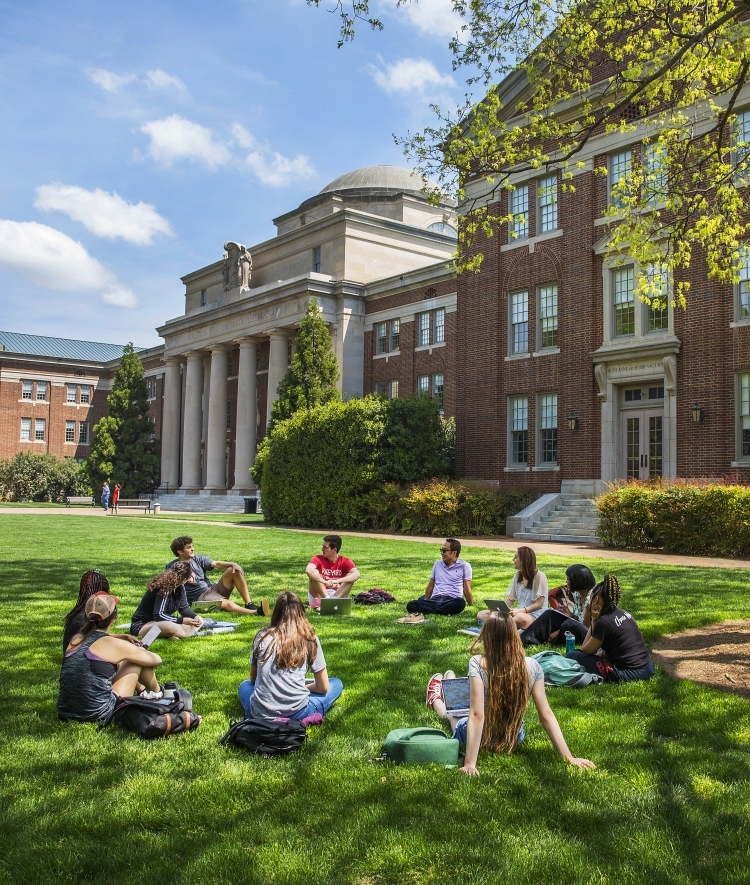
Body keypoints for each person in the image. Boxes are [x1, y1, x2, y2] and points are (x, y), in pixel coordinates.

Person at [426, 611, 595, 776]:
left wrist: (470, 763)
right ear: (514, 634)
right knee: (465, 703)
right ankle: (450, 682)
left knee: (454, 716)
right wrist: (569, 757)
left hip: (482, 737)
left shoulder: (477, 662)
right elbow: (546, 715)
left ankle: (437, 698)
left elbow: (477, 715)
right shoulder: (532, 665)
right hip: (514, 738)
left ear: (487, 636)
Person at [58, 592, 170, 722]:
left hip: (65, 712)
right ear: (113, 617)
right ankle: (158, 694)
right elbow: (157, 660)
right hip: (99, 713)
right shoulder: (114, 645)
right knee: (134, 661)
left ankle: (147, 692)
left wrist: (122, 638)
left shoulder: (76, 639)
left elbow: (96, 636)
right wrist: (137, 651)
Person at [238, 591, 343, 720]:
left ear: (276, 613)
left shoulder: (262, 636)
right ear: (301, 613)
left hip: (260, 714)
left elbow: (254, 680)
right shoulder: (310, 639)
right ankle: (301, 716)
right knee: (336, 683)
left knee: (245, 686)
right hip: (298, 713)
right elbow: (323, 687)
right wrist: (303, 688)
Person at [566, 574, 655, 683]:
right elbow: (617, 648)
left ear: (596, 599)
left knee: (574, 656)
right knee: (593, 652)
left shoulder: (603, 622)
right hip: (648, 667)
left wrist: (594, 620)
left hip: (630, 673)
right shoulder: (623, 613)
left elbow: (586, 650)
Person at [167, 536, 270, 616]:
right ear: (180, 551)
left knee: (233, 571)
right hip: (201, 597)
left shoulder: (198, 559)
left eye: (192, 546)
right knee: (228, 604)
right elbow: (170, 587)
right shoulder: (173, 566)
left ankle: (249, 604)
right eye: (189, 547)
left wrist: (232, 564)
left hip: (213, 588)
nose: (192, 549)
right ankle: (256, 612)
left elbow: (216, 564)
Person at [519, 564, 596, 647]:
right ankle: (523, 639)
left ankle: (551, 639)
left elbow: (587, 627)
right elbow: (579, 619)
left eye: (569, 579)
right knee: (550, 614)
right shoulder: (577, 594)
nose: (567, 582)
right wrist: (570, 615)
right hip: (576, 626)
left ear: (577, 581)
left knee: (569, 624)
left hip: (588, 634)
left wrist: (559, 631)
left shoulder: (591, 598)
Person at [401, 538, 473, 623]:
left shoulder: (465, 566)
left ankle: (432, 610)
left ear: (454, 553)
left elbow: (466, 588)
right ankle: (441, 611)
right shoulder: (437, 564)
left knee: (460, 602)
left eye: (444, 550)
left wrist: (471, 605)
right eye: (441, 550)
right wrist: (426, 601)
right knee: (411, 604)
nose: (442, 553)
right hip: (435, 599)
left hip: (451, 600)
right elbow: (431, 585)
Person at [477, 546, 548, 630]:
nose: (513, 559)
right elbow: (511, 599)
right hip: (517, 611)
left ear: (524, 560)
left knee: (519, 618)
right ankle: (500, 624)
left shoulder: (539, 576)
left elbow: (539, 604)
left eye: (515, 557)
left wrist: (521, 611)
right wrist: (499, 609)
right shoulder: (518, 576)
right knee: (481, 614)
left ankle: (496, 625)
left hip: (534, 615)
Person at [129, 562, 204, 640]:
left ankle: (176, 634)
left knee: (200, 620)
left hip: (161, 623)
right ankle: (191, 634)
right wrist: (182, 620)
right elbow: (159, 615)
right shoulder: (164, 588)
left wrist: (194, 617)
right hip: (143, 625)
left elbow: (184, 608)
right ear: (185, 579)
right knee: (169, 626)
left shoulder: (180, 587)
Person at [305, 535, 361, 609]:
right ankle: (328, 601)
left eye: (325, 547)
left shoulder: (345, 561)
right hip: (319, 596)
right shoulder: (318, 558)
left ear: (334, 549)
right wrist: (325, 582)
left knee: (351, 577)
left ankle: (332, 602)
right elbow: (308, 570)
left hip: (337, 596)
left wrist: (337, 581)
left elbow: (357, 574)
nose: (322, 549)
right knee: (315, 573)